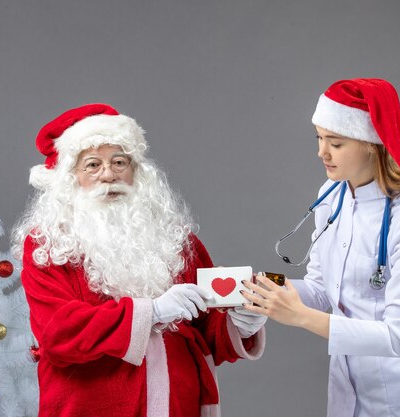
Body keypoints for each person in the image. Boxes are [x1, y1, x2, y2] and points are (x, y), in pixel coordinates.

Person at [13, 103, 266, 417]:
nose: (109, 174)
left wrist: (239, 323)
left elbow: (206, 325)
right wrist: (153, 312)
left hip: (179, 405)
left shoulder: (176, 238)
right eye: (92, 165)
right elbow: (58, 332)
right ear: (70, 178)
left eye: (120, 161)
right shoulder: (48, 245)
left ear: (136, 171)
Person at [243, 79, 400, 417]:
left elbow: (398, 336)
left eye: (336, 142)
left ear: (372, 144)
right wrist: (266, 288)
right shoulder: (331, 197)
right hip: (352, 394)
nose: (322, 152)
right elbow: (321, 287)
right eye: (319, 138)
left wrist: (301, 317)